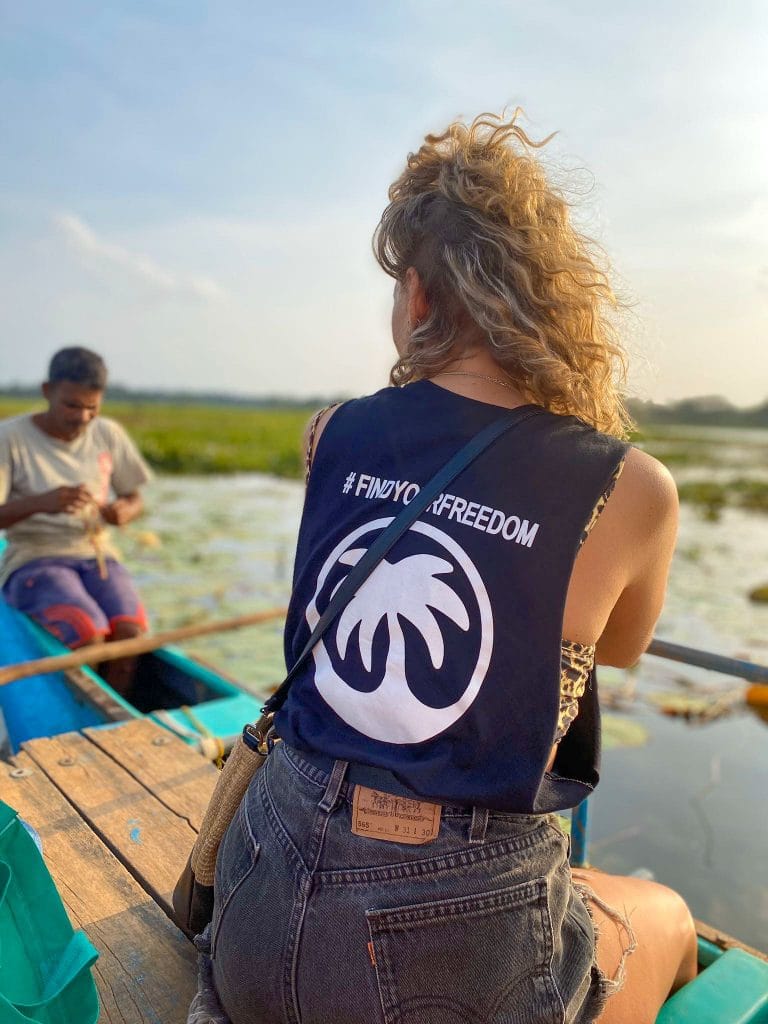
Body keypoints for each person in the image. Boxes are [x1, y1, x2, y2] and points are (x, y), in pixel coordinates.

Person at [199, 113, 696, 1024]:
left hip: (265, 889)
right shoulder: (630, 486)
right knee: (665, 917)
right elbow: (621, 650)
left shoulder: (332, 430)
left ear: (420, 296)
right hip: (461, 918)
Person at [0, 346, 152, 694]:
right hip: (35, 557)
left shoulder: (107, 433)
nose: (83, 417)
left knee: (131, 634)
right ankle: (81, 708)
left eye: (92, 407)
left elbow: (134, 498)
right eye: (71, 405)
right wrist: (43, 503)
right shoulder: (9, 438)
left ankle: (115, 716)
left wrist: (123, 511)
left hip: (96, 553)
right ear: (46, 391)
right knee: (89, 633)